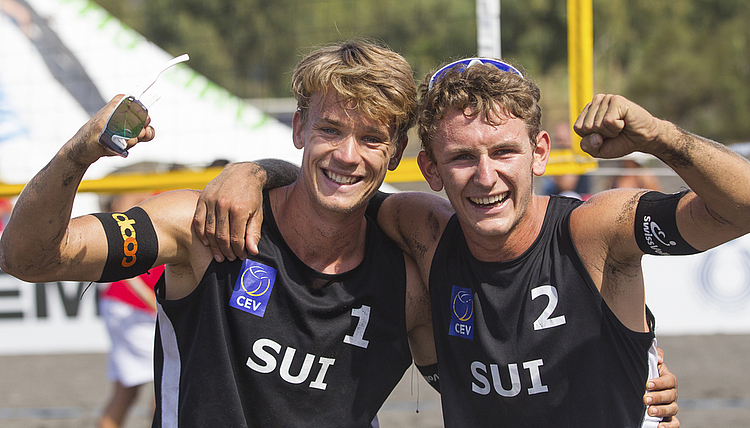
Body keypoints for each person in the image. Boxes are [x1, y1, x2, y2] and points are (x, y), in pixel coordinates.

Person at [192, 60, 689, 426]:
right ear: (430, 169)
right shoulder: (425, 231)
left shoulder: (591, 230)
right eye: (461, 157)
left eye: (502, 151)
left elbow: (744, 208)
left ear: (539, 154)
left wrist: (661, 138)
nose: (485, 177)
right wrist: (254, 172)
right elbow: (337, 191)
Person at [0, 41, 437, 427]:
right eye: (330, 129)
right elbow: (28, 259)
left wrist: (255, 170)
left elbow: (488, 395)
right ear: (300, 128)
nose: (347, 154)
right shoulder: (200, 227)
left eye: (371, 138)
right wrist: (77, 154)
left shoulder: (407, 285)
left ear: (397, 151)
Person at [98, 188, 161, 428]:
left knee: (127, 391)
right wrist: (148, 298)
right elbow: (119, 221)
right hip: (133, 306)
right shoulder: (145, 191)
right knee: (164, 386)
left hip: (133, 305)